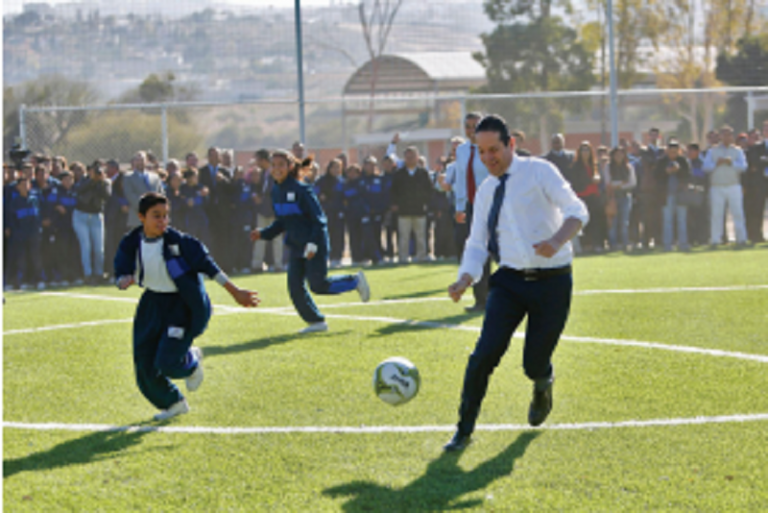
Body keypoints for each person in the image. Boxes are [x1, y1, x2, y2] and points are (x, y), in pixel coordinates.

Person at [444, 115, 589, 452]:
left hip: (553, 282)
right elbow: (477, 242)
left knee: (533, 363)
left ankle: (543, 382)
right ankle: (463, 431)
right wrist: (466, 277)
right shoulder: (486, 190)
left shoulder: (539, 171)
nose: (488, 158)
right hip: (508, 282)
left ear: (511, 144)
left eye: (494, 149)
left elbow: (577, 210)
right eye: (481, 152)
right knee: (483, 355)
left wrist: (556, 240)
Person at [114, 192, 259, 421]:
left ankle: (191, 362)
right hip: (151, 304)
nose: (162, 221)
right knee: (143, 363)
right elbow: (121, 270)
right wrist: (123, 280)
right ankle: (173, 403)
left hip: (181, 306)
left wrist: (236, 292)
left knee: (167, 362)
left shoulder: (180, 242)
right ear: (141, 217)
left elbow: (210, 267)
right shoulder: (131, 241)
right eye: (156, 216)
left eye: (165, 216)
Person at [250, 149, 371, 334]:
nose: (276, 169)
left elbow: (319, 219)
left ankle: (354, 281)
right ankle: (316, 322)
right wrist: (263, 233)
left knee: (318, 285)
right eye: (274, 165)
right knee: (294, 287)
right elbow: (282, 222)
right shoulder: (276, 191)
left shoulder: (301, 189)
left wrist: (313, 244)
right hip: (297, 246)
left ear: (290, 167)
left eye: (281, 165)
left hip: (315, 244)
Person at [442, 112, 491, 312]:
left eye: (475, 126)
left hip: (491, 204)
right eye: (468, 126)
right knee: (472, 250)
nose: (471, 130)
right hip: (471, 207)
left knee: (497, 253)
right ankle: (481, 300)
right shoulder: (461, 151)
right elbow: (461, 181)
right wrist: (460, 207)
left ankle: (503, 298)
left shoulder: (490, 148)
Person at [702, 125, 748, 248]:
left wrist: (731, 162)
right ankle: (715, 240)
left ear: (732, 136)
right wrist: (716, 163)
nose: (726, 137)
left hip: (733, 185)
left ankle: (741, 239)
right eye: (724, 135)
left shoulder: (738, 151)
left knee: (737, 213)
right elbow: (706, 167)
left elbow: (743, 167)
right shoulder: (712, 151)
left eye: (729, 135)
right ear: (720, 136)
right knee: (716, 214)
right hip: (717, 186)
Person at [72, 160, 112, 284]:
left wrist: (99, 182)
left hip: (96, 216)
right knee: (86, 246)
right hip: (81, 215)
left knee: (99, 248)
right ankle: (87, 274)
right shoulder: (84, 181)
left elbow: (106, 196)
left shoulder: (105, 182)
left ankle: (99, 273)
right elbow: (79, 191)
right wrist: (92, 181)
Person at [390, 147, 433, 263]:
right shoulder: (399, 174)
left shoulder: (423, 173)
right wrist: (394, 204)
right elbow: (393, 191)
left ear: (417, 157)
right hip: (403, 210)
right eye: (407, 157)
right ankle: (403, 258)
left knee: (421, 236)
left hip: (419, 210)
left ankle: (422, 256)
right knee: (403, 237)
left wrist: (427, 204)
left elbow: (429, 190)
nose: (410, 159)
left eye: (412, 156)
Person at [6, 176, 45, 290]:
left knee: (35, 257)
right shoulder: (14, 202)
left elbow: (38, 217)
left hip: (34, 234)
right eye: (22, 185)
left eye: (26, 184)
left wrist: (38, 230)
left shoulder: (34, 200)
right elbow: (12, 220)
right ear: (17, 187)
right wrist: (15, 232)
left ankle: (38, 280)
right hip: (20, 235)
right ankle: (21, 281)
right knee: (21, 259)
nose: (24, 187)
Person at [251, 149, 284, 272]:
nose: (256, 163)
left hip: (275, 211)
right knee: (259, 237)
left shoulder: (276, 172)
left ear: (263, 160)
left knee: (277, 239)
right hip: (262, 210)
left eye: (258, 160)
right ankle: (257, 264)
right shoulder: (262, 174)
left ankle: (278, 265)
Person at [567, 142, 604, 253]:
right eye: (583, 150)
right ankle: (585, 245)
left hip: (594, 197)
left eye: (587, 150)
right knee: (584, 223)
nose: (585, 152)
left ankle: (597, 244)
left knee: (596, 222)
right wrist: (590, 180)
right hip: (582, 197)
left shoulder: (594, 165)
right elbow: (576, 182)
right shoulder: (575, 167)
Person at [655, 140, 691, 251]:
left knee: (682, 220)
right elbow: (656, 176)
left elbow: (688, 176)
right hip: (666, 195)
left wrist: (678, 170)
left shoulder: (683, 161)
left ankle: (683, 244)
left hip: (681, 194)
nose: (673, 154)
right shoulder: (661, 162)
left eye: (675, 152)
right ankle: (667, 245)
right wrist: (666, 171)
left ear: (679, 151)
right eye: (671, 152)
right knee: (667, 220)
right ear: (667, 151)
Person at [315, 158, 345, 267]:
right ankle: (327, 257)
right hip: (326, 212)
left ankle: (337, 258)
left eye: (339, 167)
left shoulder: (341, 181)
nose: (337, 170)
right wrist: (321, 197)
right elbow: (315, 193)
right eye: (335, 167)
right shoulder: (322, 180)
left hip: (339, 213)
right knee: (327, 236)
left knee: (339, 236)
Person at [604, 146, 636, 251]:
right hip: (612, 198)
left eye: (621, 154)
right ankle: (613, 244)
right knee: (613, 222)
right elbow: (608, 183)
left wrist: (618, 185)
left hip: (625, 197)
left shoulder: (628, 167)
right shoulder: (608, 167)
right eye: (617, 154)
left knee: (624, 223)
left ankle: (625, 243)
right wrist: (622, 183)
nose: (619, 156)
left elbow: (632, 183)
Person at [124, 151, 164, 229]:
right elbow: (130, 195)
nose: (140, 162)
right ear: (134, 162)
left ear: (147, 161)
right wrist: (145, 207)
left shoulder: (155, 177)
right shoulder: (128, 177)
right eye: (137, 160)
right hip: (137, 218)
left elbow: (161, 193)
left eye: (142, 160)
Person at [744, 126, 767, 243]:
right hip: (760, 183)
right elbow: (753, 164)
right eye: (766, 128)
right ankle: (757, 235)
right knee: (757, 210)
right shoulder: (756, 148)